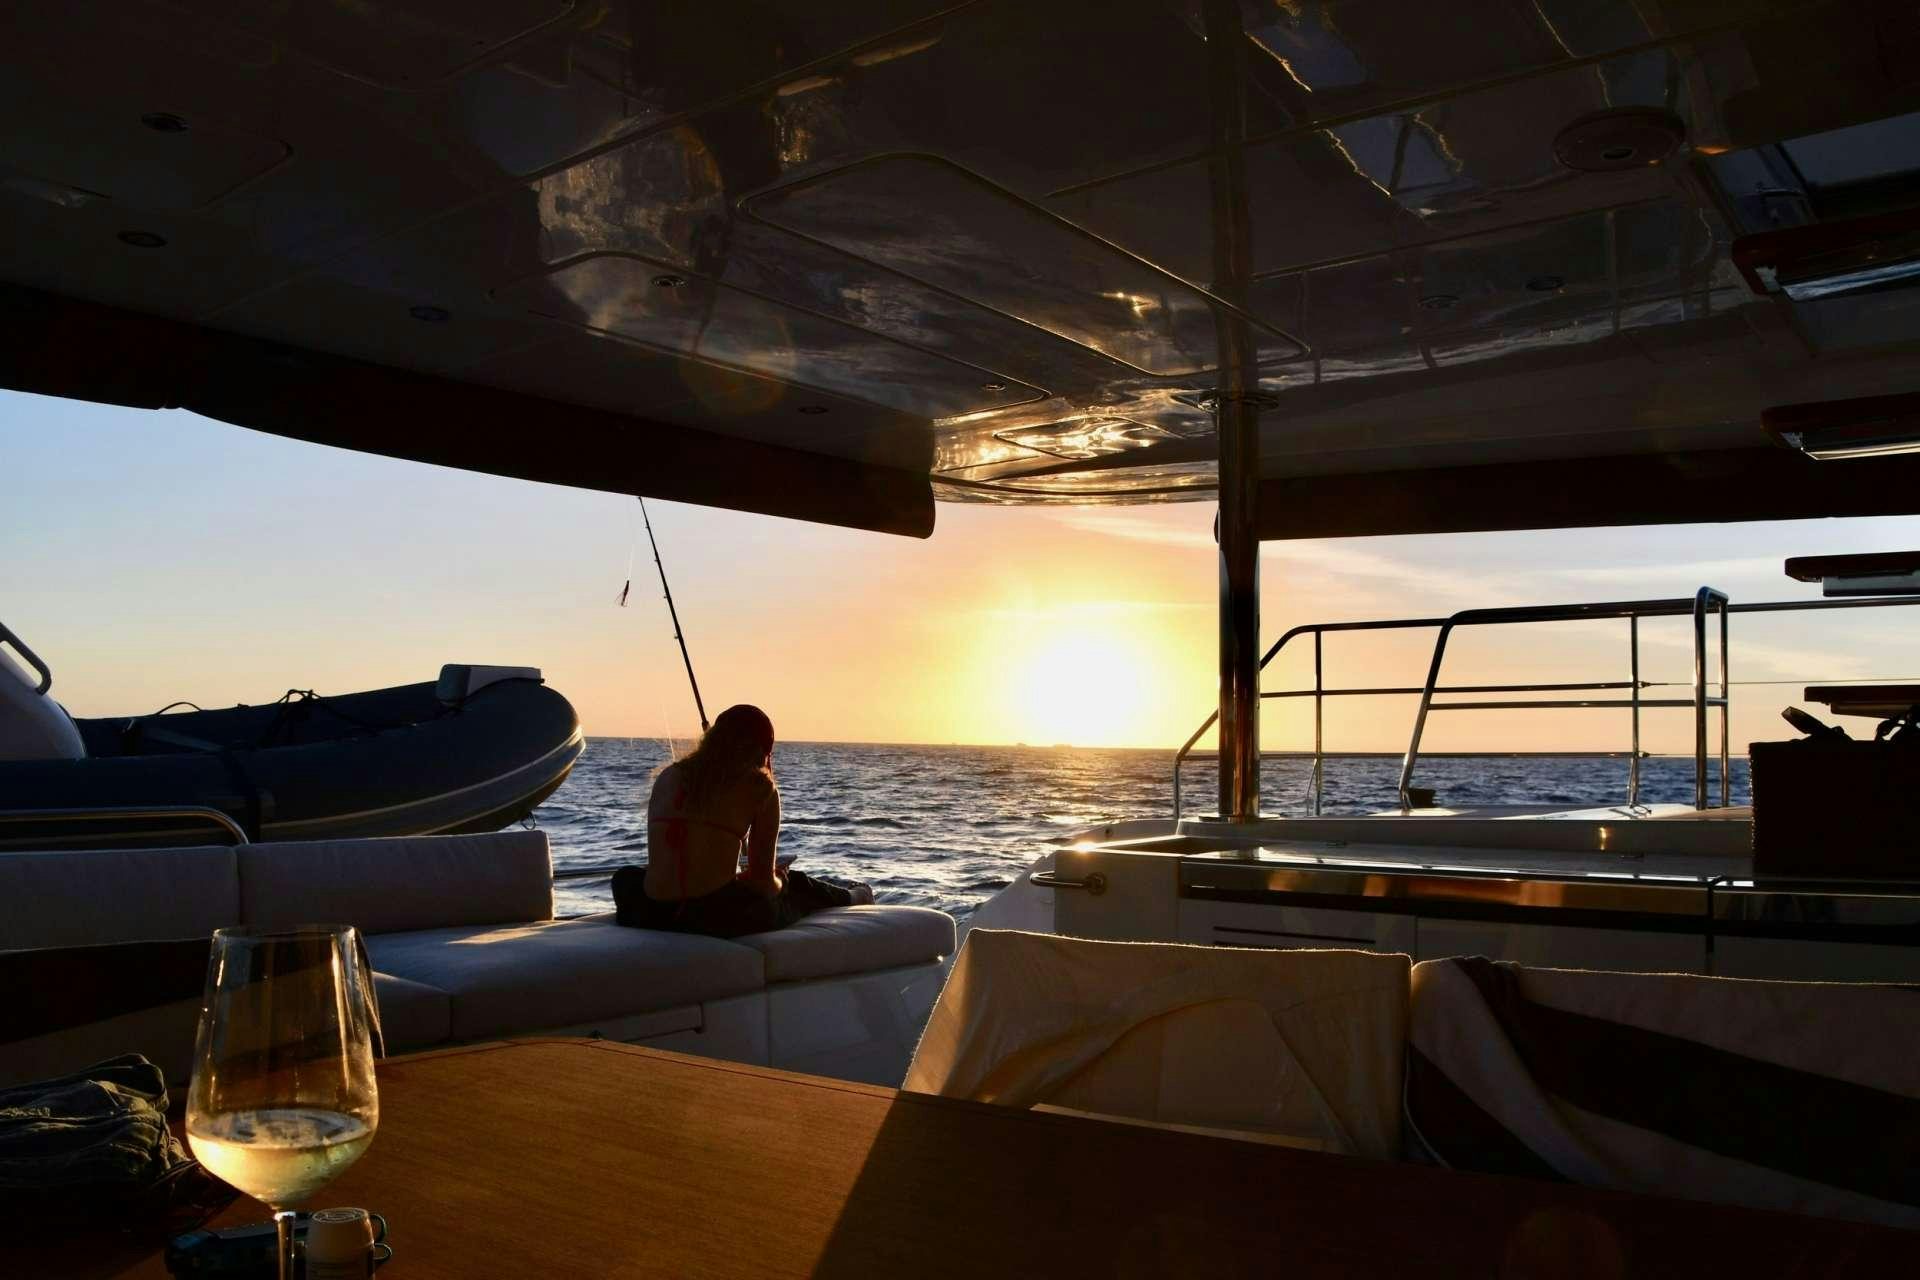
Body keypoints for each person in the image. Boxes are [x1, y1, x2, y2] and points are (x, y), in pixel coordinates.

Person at [612, 704, 871, 938]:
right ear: (763, 750)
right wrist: (778, 878)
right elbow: (762, 883)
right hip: (712, 919)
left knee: (626, 877)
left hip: (649, 912)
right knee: (795, 884)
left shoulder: (668, 776)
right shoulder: (761, 789)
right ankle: (855, 896)